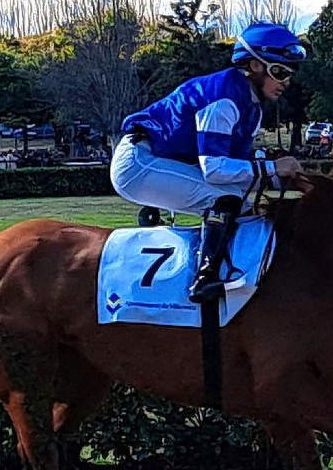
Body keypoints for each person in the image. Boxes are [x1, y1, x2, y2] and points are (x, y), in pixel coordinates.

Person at [111, 20, 307, 303]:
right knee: (226, 197)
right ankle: (206, 278)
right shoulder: (224, 99)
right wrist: (273, 169)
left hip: (156, 159)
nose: (285, 82)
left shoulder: (250, 106)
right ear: (254, 66)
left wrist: (287, 178)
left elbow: (239, 169)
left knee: (241, 198)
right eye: (279, 72)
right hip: (138, 163)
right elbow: (215, 170)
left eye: (289, 74)